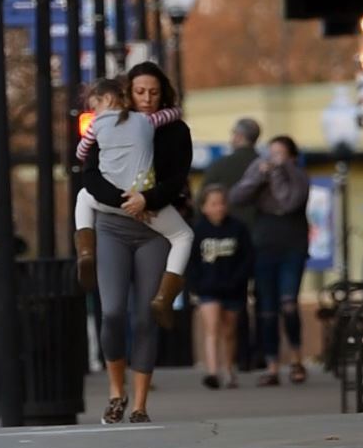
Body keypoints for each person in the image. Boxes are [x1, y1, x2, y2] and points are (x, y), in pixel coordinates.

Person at [78, 62, 193, 424]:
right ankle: (116, 393)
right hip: (113, 225)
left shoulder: (174, 131)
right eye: (140, 92)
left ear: (164, 94)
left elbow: (178, 178)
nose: (147, 99)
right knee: (112, 312)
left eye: (154, 92)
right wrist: (124, 200)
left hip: (154, 229)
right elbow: (89, 173)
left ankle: (140, 403)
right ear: (128, 92)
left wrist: (149, 199)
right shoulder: (112, 122)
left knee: (145, 317)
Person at [70, 79, 195, 327]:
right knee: (183, 236)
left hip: (111, 202)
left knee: (83, 197)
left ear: (101, 104)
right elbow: (173, 114)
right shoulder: (146, 121)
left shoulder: (95, 125)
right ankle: (164, 296)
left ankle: (85, 250)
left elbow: (80, 153)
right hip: (145, 201)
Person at [230, 135, 312, 386]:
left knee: (288, 303)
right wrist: (258, 175)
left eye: (280, 153)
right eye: (271, 152)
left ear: (292, 157)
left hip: (292, 247)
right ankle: (272, 365)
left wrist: (278, 172)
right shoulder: (260, 172)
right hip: (264, 246)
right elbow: (236, 196)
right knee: (265, 309)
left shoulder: (298, 176)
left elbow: (288, 202)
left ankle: (297, 360)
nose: (273, 158)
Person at [204, 118, 262, 370]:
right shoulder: (263, 166)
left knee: (233, 298)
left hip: (226, 241)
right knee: (262, 300)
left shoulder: (220, 167)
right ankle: (257, 353)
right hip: (261, 238)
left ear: (238, 136)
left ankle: (236, 357)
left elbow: (202, 200)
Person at [187, 185, 253, 390]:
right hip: (208, 289)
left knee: (230, 331)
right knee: (212, 327)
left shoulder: (238, 229)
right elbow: (191, 261)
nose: (219, 208)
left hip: (233, 288)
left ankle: (229, 370)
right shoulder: (198, 231)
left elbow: (247, 258)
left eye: (222, 203)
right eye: (213, 204)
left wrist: (240, 280)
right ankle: (213, 372)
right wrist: (196, 284)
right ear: (204, 207)